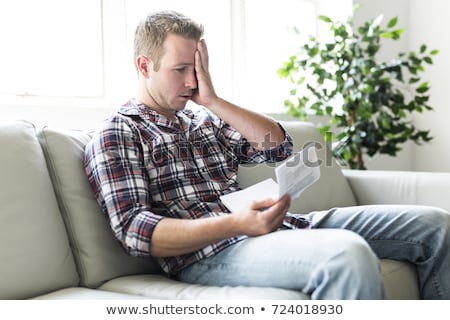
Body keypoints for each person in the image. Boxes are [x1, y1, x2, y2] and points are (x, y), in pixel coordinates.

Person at [84, 10, 450, 299]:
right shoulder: (118, 132)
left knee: (435, 225)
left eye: (196, 70)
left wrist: (212, 99)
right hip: (211, 254)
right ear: (144, 66)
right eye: (180, 70)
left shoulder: (203, 119)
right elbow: (134, 232)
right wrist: (236, 224)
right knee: (344, 255)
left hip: (283, 228)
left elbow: (277, 146)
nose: (192, 82)